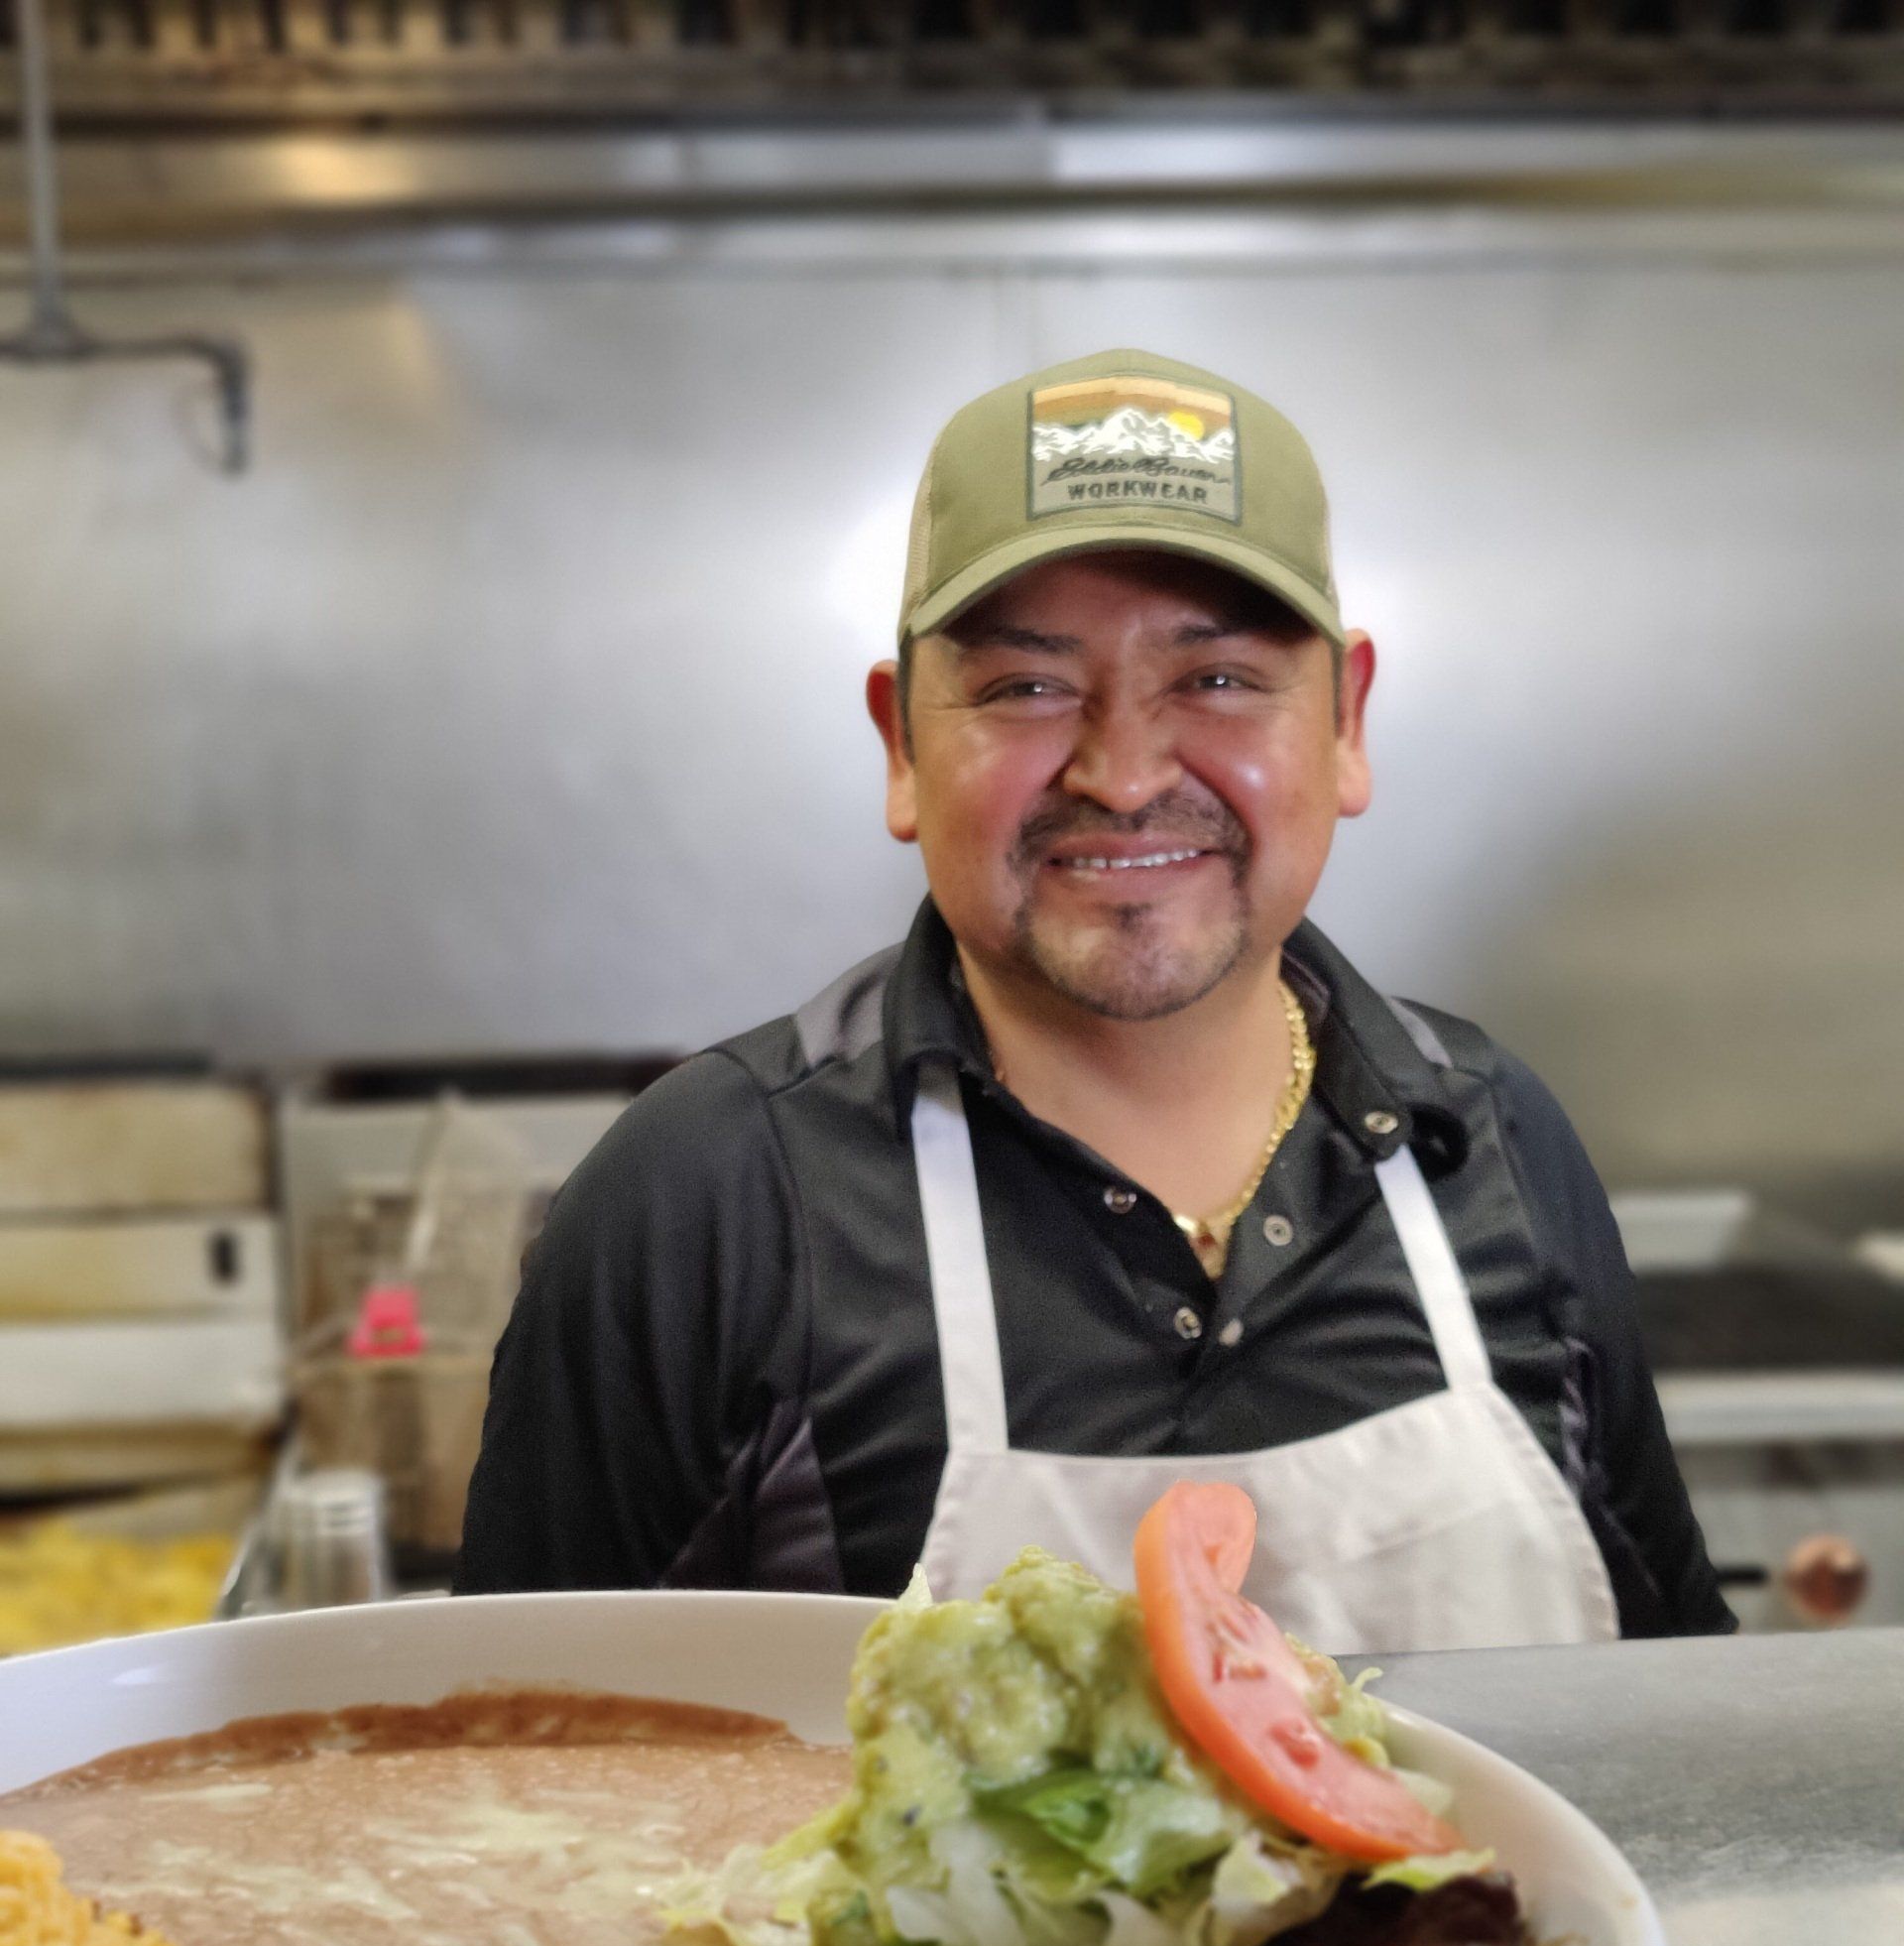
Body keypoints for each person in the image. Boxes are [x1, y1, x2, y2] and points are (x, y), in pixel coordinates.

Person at [455, 347, 1730, 1651]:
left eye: (1217, 678)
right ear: (901, 746)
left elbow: (1687, 1739)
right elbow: (516, 1799)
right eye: (1026, 686)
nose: (1123, 775)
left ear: (1347, 725)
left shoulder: (1501, 1146)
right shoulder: (701, 1207)